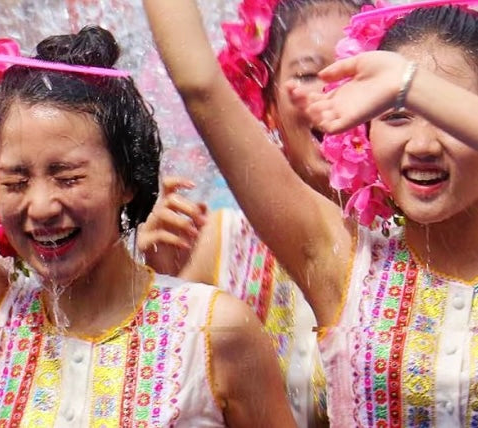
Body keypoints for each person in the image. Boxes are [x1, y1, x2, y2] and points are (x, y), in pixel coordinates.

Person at [0, 1, 293, 426]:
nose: (40, 207)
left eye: (67, 177)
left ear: (126, 179)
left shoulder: (215, 331)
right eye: (16, 182)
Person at [145, 0, 478, 425]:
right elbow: (200, 86)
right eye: (395, 114)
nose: (423, 145)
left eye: (446, 116)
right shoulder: (344, 264)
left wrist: (408, 82)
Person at [138, 0, 370, 425]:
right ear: (266, 105)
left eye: (352, 71)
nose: (331, 94)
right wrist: (148, 285)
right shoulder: (215, 244)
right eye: (307, 74)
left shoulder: (422, 240)